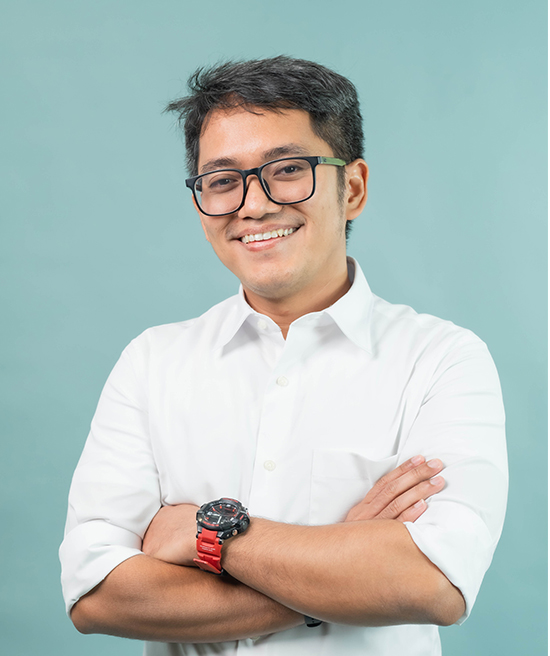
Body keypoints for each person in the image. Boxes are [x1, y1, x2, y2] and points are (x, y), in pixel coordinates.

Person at [59, 56, 508, 656]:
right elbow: (96, 596)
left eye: (288, 169)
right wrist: (346, 563)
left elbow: (433, 583)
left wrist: (208, 532)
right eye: (222, 180)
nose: (253, 205)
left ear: (352, 188)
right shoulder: (151, 363)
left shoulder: (442, 359)